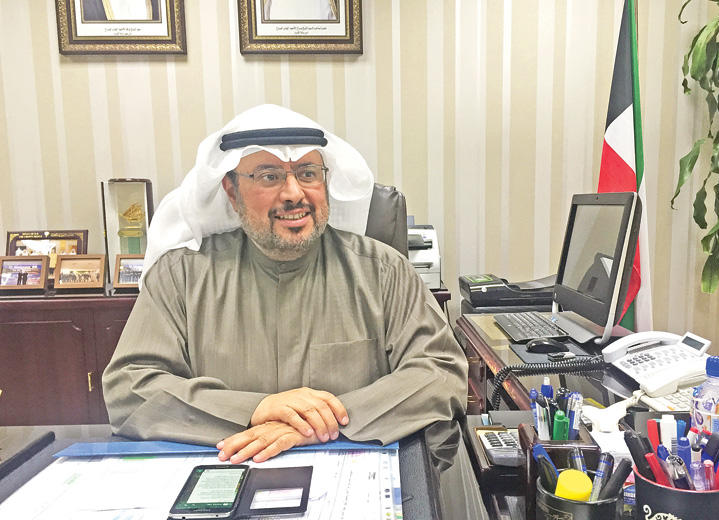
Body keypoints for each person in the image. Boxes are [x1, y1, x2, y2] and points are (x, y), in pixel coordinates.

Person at [102, 104, 467, 464]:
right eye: (269, 176)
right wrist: (254, 409)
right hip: (224, 471)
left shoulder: (384, 271)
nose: (294, 193)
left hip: (354, 472)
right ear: (231, 191)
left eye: (308, 173)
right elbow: (128, 388)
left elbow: (440, 373)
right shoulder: (180, 276)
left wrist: (324, 423)